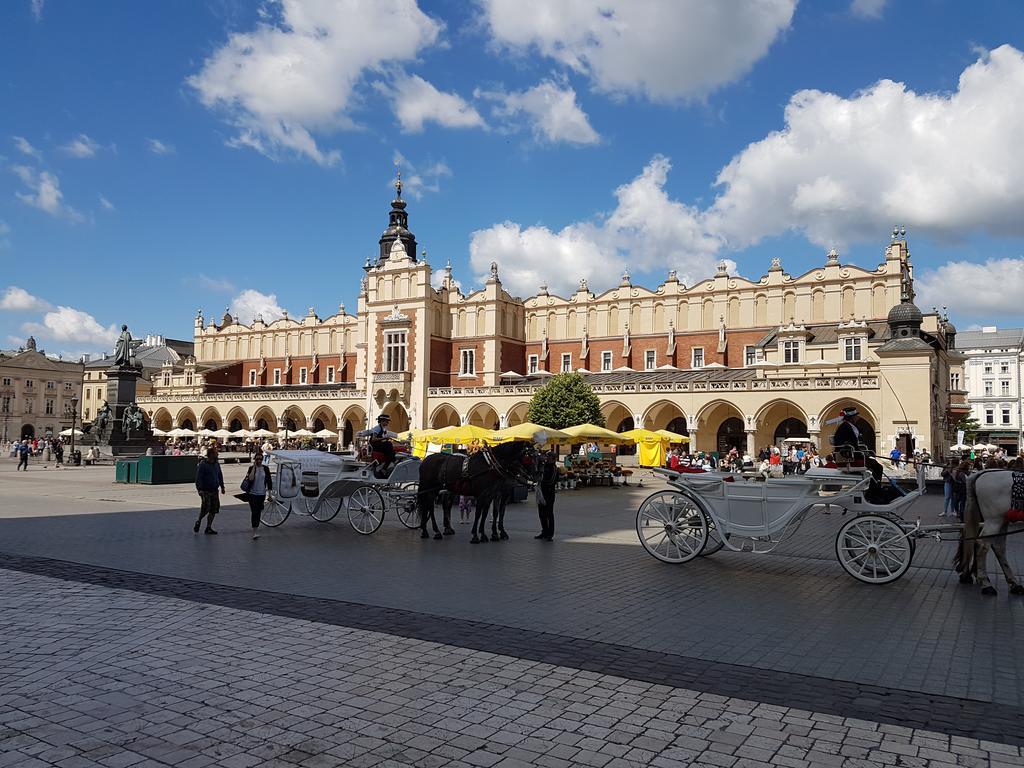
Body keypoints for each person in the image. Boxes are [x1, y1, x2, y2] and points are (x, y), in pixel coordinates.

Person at [193, 447, 225, 535]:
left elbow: (219, 475)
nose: (217, 455)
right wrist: (199, 489)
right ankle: (199, 521)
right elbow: (198, 478)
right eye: (216, 453)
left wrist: (222, 486)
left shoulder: (216, 464)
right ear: (211, 455)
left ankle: (208, 527)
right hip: (205, 490)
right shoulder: (203, 464)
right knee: (205, 508)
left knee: (214, 509)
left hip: (214, 490)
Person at [243, 453, 273, 540]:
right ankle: (254, 531)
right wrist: (254, 467)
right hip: (252, 494)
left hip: (261, 494)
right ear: (254, 460)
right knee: (254, 512)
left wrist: (270, 495)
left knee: (259, 511)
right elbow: (251, 478)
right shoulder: (251, 468)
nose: (259, 461)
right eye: (257, 459)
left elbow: (269, 482)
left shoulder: (266, 469)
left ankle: (255, 528)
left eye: (260, 459)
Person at [536, 450, 558, 541]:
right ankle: (544, 531)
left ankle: (550, 534)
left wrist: (542, 482)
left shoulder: (554, 468)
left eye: (548, 457)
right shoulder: (544, 466)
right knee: (541, 513)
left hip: (549, 493)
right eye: (547, 457)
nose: (546, 458)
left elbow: (552, 481)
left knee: (549, 513)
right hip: (542, 492)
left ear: (553, 459)